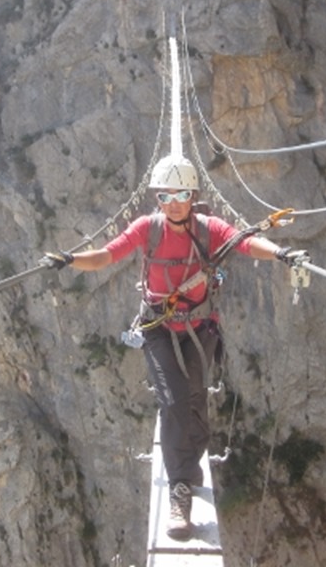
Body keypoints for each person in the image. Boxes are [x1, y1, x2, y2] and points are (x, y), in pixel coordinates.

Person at [43, 154, 309, 540]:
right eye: (165, 195)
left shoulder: (207, 228)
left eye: (182, 194)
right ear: (157, 198)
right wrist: (69, 260)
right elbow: (106, 255)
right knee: (174, 402)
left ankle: (191, 457)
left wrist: (282, 254)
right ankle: (181, 489)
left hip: (200, 329)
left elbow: (246, 242)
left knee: (194, 399)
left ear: (193, 195)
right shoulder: (146, 229)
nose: (174, 202)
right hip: (158, 330)